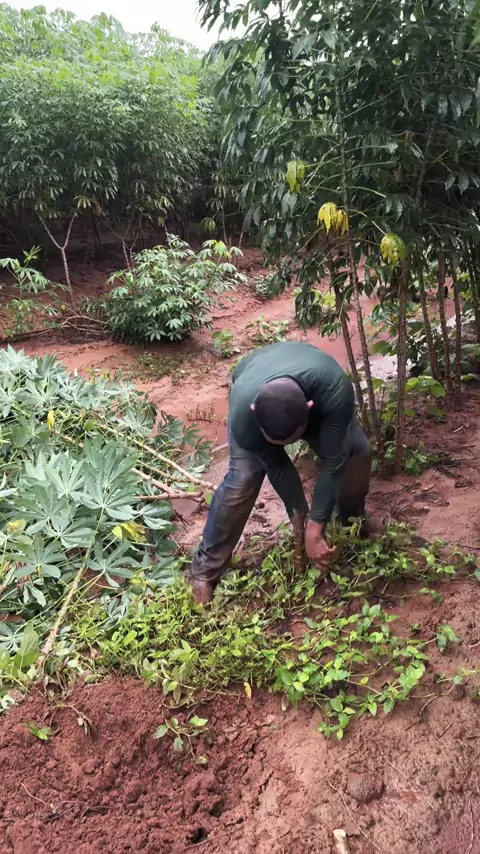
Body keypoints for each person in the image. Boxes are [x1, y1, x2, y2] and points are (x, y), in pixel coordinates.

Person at [189, 341, 382, 603]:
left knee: (357, 452)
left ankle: (353, 520)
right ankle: (204, 571)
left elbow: (333, 461)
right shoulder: (245, 415)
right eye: (276, 442)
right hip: (254, 381)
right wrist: (300, 518)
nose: (283, 447)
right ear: (256, 412)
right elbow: (278, 466)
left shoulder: (335, 391)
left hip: (315, 385)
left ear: (310, 408)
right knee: (242, 479)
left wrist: (315, 526)